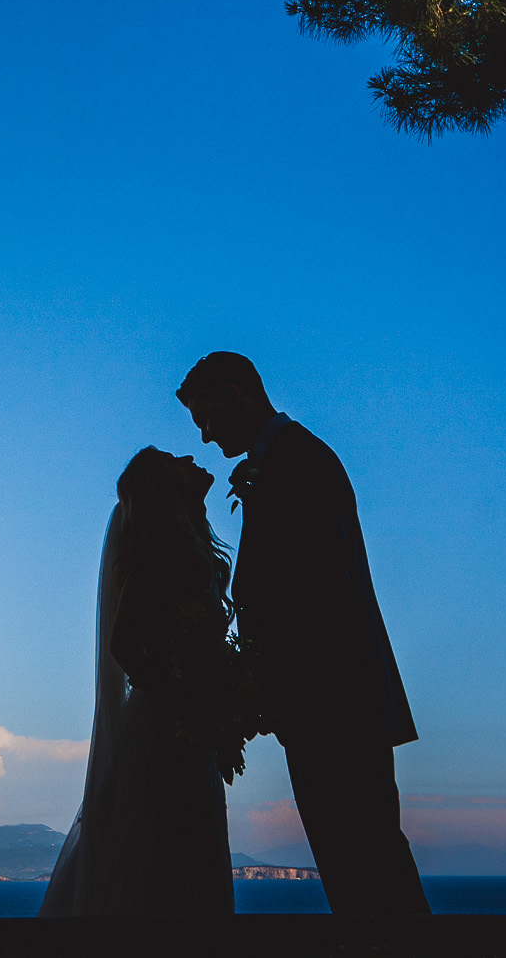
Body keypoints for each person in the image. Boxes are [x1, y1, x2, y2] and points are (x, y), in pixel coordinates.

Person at [178, 350, 429, 915]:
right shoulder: (289, 460)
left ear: (235, 394)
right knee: (355, 861)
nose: (207, 438)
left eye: (207, 419)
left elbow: (316, 594)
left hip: (334, 699)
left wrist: (271, 680)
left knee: (365, 860)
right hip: (322, 701)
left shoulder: (301, 462)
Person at [40, 446, 246, 917]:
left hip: (183, 724)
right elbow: (125, 643)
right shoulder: (164, 540)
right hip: (165, 728)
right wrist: (187, 701)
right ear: (162, 485)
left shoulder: (187, 536)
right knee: (165, 855)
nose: (191, 456)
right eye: (176, 458)